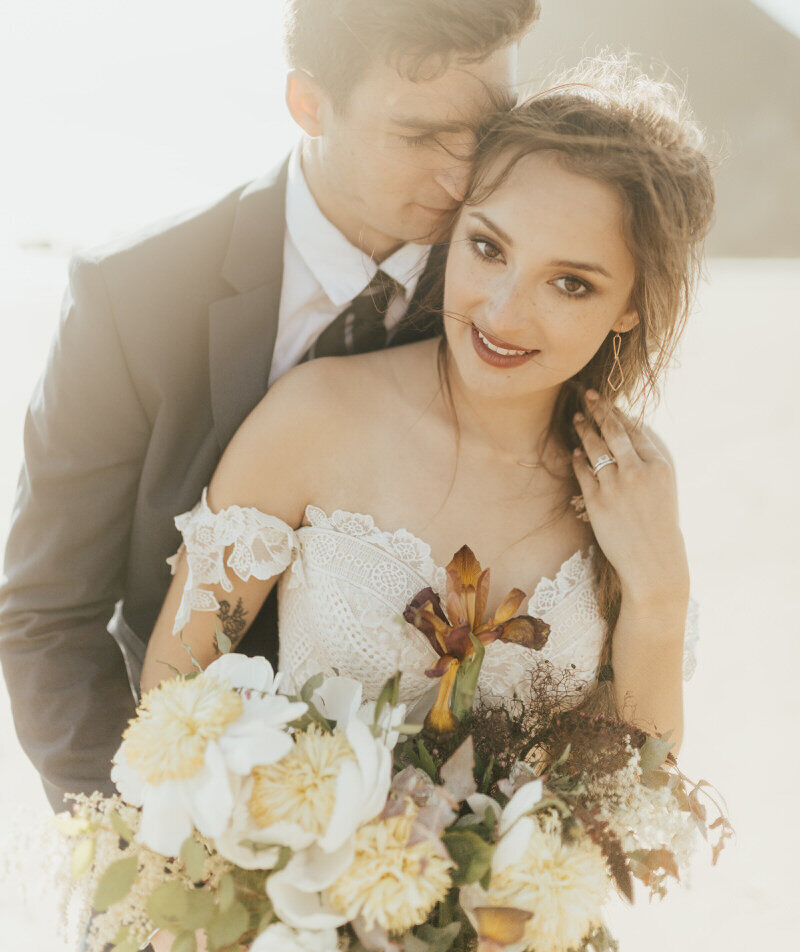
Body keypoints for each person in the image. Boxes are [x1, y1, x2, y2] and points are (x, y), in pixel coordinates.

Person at [0, 0, 538, 811]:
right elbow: (49, 614)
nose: (464, 179)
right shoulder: (133, 297)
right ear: (308, 102)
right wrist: (137, 835)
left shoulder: (516, 303)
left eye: (488, 128)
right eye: (419, 133)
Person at [143, 55, 715, 766]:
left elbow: (641, 786)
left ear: (630, 305)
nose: (503, 314)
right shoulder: (314, 415)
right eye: (488, 247)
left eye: (570, 284)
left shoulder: (631, 487)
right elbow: (171, 709)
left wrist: (660, 596)